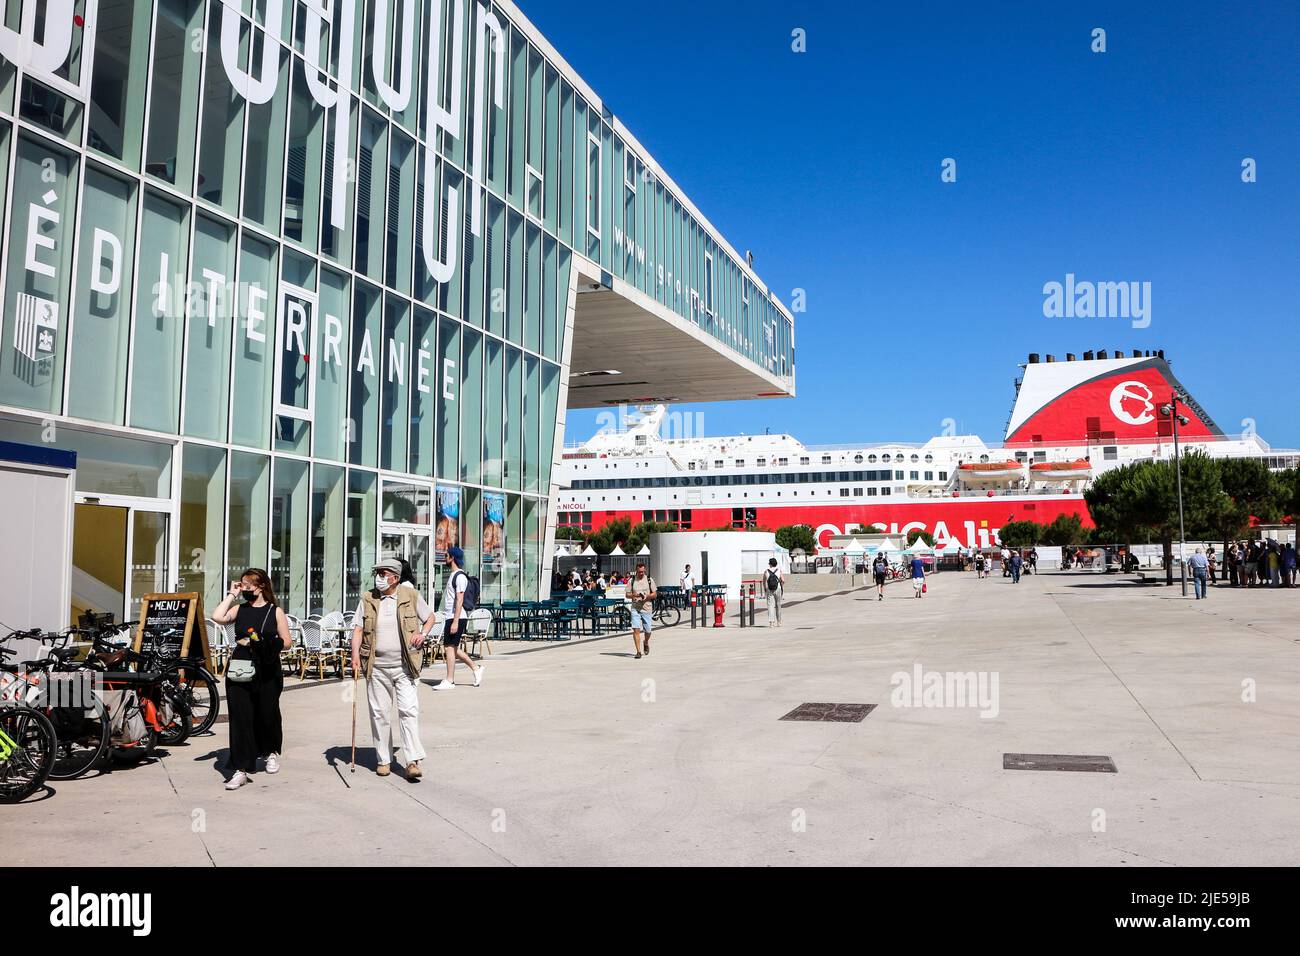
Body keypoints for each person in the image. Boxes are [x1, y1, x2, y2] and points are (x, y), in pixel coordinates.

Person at [350, 558, 434, 779]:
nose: (379, 577)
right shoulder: (368, 598)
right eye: (377, 573)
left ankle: (412, 760)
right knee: (379, 714)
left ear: (395, 578)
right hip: (376, 667)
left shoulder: (410, 596)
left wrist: (422, 635)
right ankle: (383, 760)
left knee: (408, 711)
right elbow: (358, 629)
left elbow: (430, 618)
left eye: (383, 573)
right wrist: (355, 654)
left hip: (405, 666)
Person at [212, 569, 294, 790]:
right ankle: (241, 769)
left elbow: (287, 641)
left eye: (249, 585)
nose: (245, 588)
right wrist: (231, 594)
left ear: (261, 587)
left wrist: (262, 643)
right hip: (240, 667)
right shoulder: (240, 609)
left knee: (267, 713)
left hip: (267, 668)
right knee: (240, 717)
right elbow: (217, 617)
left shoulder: (274, 611)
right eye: (243, 584)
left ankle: (270, 752)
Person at [433, 547, 484, 690]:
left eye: (446, 555)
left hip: (457, 617)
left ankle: (450, 680)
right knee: (451, 648)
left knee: (449, 648)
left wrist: (455, 621)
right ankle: (476, 668)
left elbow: (459, 599)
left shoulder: (460, 576)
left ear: (452, 558)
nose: (444, 558)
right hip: (452, 616)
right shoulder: (453, 574)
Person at [626, 562, 657, 658]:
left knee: (648, 630)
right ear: (636, 571)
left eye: (643, 571)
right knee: (636, 629)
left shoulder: (649, 580)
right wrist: (634, 595)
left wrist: (647, 596)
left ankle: (646, 642)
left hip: (647, 607)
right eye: (639, 572)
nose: (641, 573)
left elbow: (655, 594)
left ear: (645, 570)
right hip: (635, 607)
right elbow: (627, 594)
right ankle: (638, 651)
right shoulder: (631, 581)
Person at [764, 558, 784, 626]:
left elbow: (764, 581)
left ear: (770, 564)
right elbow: (783, 580)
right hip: (778, 589)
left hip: (769, 590)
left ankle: (771, 623)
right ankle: (779, 622)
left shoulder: (766, 571)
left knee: (770, 606)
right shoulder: (779, 570)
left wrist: (765, 589)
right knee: (778, 605)